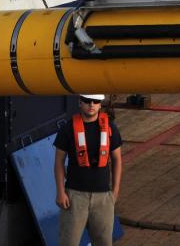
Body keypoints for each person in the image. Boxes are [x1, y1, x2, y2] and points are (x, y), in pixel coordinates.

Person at [54, 94, 123, 246]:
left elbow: (117, 159)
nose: (91, 104)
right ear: (79, 102)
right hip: (74, 197)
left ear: (100, 104)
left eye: (96, 101)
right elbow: (59, 161)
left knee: (104, 243)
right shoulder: (68, 128)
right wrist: (60, 192)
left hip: (103, 198)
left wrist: (115, 192)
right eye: (87, 101)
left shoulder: (110, 128)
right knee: (68, 242)